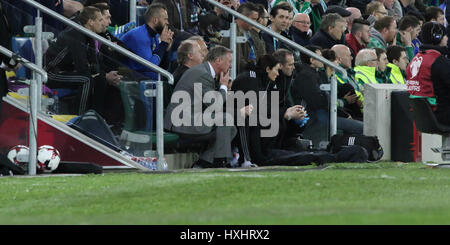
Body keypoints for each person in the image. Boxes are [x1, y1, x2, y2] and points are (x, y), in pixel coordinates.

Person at [164, 46, 237, 168]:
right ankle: (220, 162)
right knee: (225, 120)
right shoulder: (202, 74)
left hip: (190, 118)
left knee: (231, 128)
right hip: (181, 121)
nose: (230, 66)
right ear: (218, 60)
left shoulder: (204, 72)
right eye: (229, 62)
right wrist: (223, 87)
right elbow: (215, 104)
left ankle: (205, 162)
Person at [44, 7, 115, 115]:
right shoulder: (75, 34)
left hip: (66, 71)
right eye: (100, 20)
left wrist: (101, 75)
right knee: (86, 79)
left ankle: (96, 116)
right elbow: (82, 67)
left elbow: (94, 64)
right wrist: (99, 74)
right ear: (91, 22)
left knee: (100, 80)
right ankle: (79, 117)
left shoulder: (89, 35)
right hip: (49, 72)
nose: (102, 23)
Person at [407, 22, 450, 125]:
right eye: (445, 36)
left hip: (421, 116)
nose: (447, 39)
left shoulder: (415, 59)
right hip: (439, 114)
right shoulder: (438, 61)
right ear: (437, 37)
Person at [120, 3, 174, 80]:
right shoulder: (139, 35)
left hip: (142, 76)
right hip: (129, 78)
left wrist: (166, 49)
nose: (167, 23)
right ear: (155, 20)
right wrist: (163, 45)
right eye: (165, 19)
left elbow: (162, 66)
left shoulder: (154, 35)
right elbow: (150, 66)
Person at [221, 2, 266, 74]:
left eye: (256, 19)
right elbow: (238, 62)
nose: (255, 23)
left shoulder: (254, 34)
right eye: (253, 19)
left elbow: (262, 54)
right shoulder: (231, 35)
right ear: (242, 16)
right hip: (241, 78)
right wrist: (256, 70)